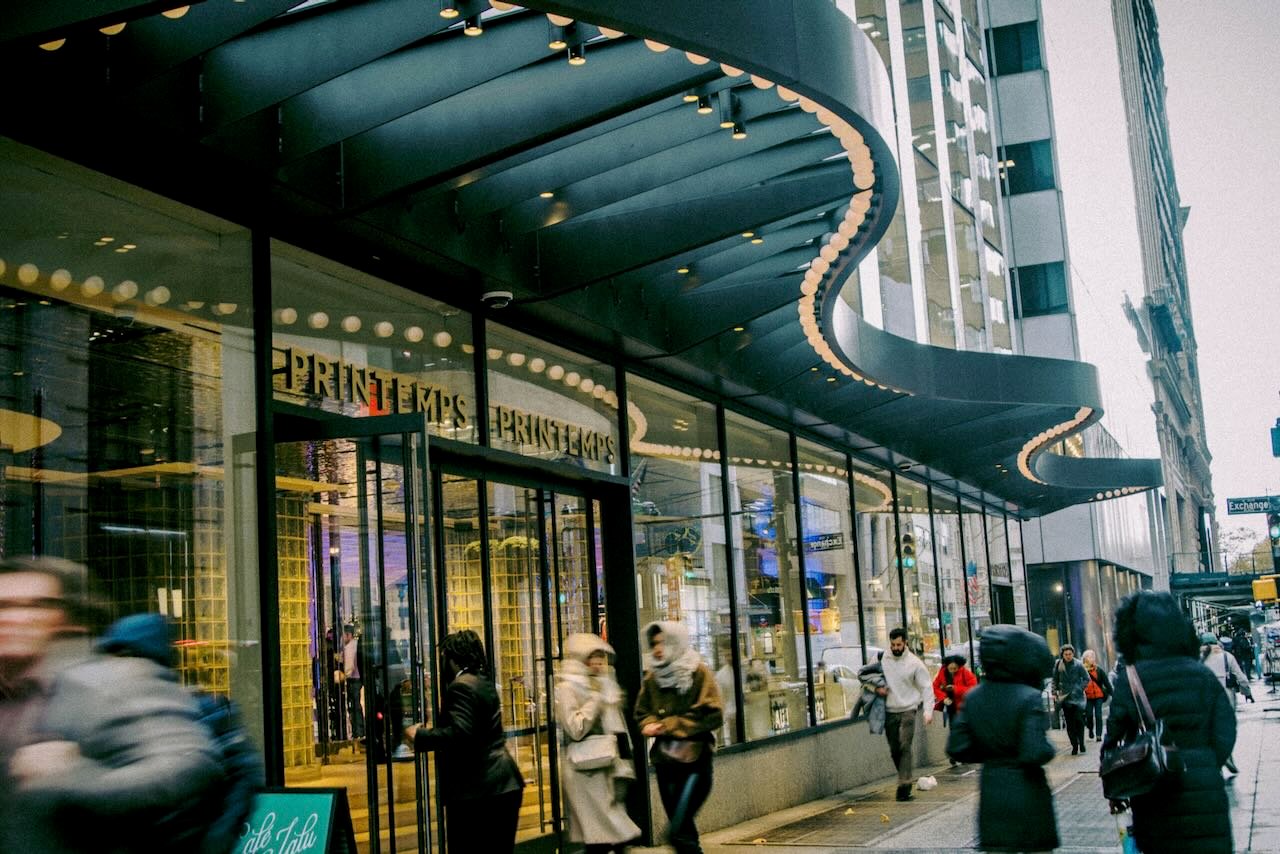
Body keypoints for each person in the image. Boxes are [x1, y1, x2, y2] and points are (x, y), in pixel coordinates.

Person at [0, 556, 224, 851]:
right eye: (3, 606)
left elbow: (190, 767)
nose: (13, 618)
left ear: (71, 621)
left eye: (37, 605)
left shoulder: (116, 681)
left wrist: (76, 776)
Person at [96, 612, 265, 854]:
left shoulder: (203, 711)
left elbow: (245, 775)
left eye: (124, 656)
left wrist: (216, 840)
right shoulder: (104, 719)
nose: (115, 668)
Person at [1103, 592, 1235, 853]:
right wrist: (1205, 762)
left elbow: (1113, 741)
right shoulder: (1202, 675)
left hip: (1155, 796)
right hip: (1206, 794)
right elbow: (1225, 732)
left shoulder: (1129, 680)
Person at [405, 629, 524, 852]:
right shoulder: (483, 680)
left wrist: (419, 735)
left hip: (479, 789)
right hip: (502, 781)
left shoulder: (461, 686)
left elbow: (460, 733)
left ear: (452, 659)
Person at [946, 625, 1057, 853]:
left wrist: (990, 754)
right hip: (1029, 797)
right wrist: (1048, 749)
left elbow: (957, 747)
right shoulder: (1029, 697)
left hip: (992, 795)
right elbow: (1035, 751)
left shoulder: (973, 697)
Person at [635, 621, 723, 854]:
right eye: (654, 644)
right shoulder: (653, 677)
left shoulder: (697, 671)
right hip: (666, 760)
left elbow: (713, 714)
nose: (658, 649)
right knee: (682, 830)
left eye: (664, 642)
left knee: (678, 830)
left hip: (695, 761)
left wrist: (667, 725)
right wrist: (648, 724)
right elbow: (642, 712)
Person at [556, 633, 641, 854]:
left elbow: (618, 728)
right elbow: (575, 728)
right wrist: (595, 699)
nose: (598, 662)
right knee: (600, 836)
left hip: (610, 767)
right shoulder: (568, 688)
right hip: (586, 771)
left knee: (612, 834)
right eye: (592, 657)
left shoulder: (606, 686)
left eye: (601, 657)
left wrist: (625, 762)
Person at [880, 628, 934, 802]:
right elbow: (868, 677)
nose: (896, 648)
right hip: (889, 711)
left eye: (899, 644)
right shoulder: (881, 659)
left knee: (904, 746)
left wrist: (928, 711)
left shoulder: (914, 663)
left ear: (905, 644)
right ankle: (905, 777)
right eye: (893, 644)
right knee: (895, 749)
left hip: (908, 709)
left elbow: (926, 687)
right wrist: (876, 689)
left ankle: (904, 785)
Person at [1200, 632, 1251, 776]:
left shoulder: (1198, 658)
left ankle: (1216, 757)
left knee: (1208, 729)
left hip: (1205, 697)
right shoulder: (1227, 656)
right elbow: (1241, 677)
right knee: (1226, 728)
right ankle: (1227, 754)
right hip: (1226, 697)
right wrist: (1247, 692)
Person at [1052, 643, 1089, 754]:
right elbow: (1055, 680)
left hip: (1077, 698)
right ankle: (1074, 745)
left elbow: (1087, 678)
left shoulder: (1078, 664)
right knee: (1070, 724)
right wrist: (1054, 692)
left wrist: (1079, 688)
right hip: (1065, 698)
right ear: (1062, 655)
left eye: (1070, 654)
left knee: (1079, 721)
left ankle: (1081, 743)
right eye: (1066, 654)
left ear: (1073, 654)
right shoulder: (1058, 664)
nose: (1068, 656)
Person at [932, 654, 977, 726]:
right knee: (952, 724)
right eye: (950, 668)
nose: (952, 671)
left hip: (963, 705)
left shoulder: (965, 673)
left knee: (962, 724)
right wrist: (943, 698)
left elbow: (973, 688)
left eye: (955, 668)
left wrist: (955, 688)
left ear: (959, 666)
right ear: (947, 666)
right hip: (949, 703)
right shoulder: (942, 673)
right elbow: (935, 687)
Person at [338, 624, 365, 743]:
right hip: (358, 679)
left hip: (353, 679)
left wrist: (343, 676)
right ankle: (360, 731)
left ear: (348, 635)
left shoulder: (349, 647)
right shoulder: (355, 645)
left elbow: (349, 667)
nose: (341, 638)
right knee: (356, 705)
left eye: (343, 635)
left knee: (354, 706)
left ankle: (357, 731)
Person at [1080, 649, 1112, 743]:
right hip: (1088, 697)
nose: (1092, 658)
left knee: (1098, 715)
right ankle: (1090, 729)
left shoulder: (1099, 670)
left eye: (1093, 656)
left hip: (1099, 696)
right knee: (1089, 715)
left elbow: (1106, 683)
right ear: (1085, 659)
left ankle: (1098, 735)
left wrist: (1113, 694)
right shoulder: (1081, 670)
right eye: (1090, 657)